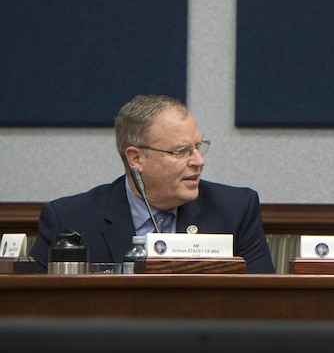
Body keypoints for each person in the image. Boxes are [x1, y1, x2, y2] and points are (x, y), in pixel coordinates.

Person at [30, 95, 275, 273]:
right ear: (136, 158)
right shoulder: (70, 220)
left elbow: (262, 306)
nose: (199, 162)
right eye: (182, 151)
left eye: (198, 147)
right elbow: (38, 311)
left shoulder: (235, 210)